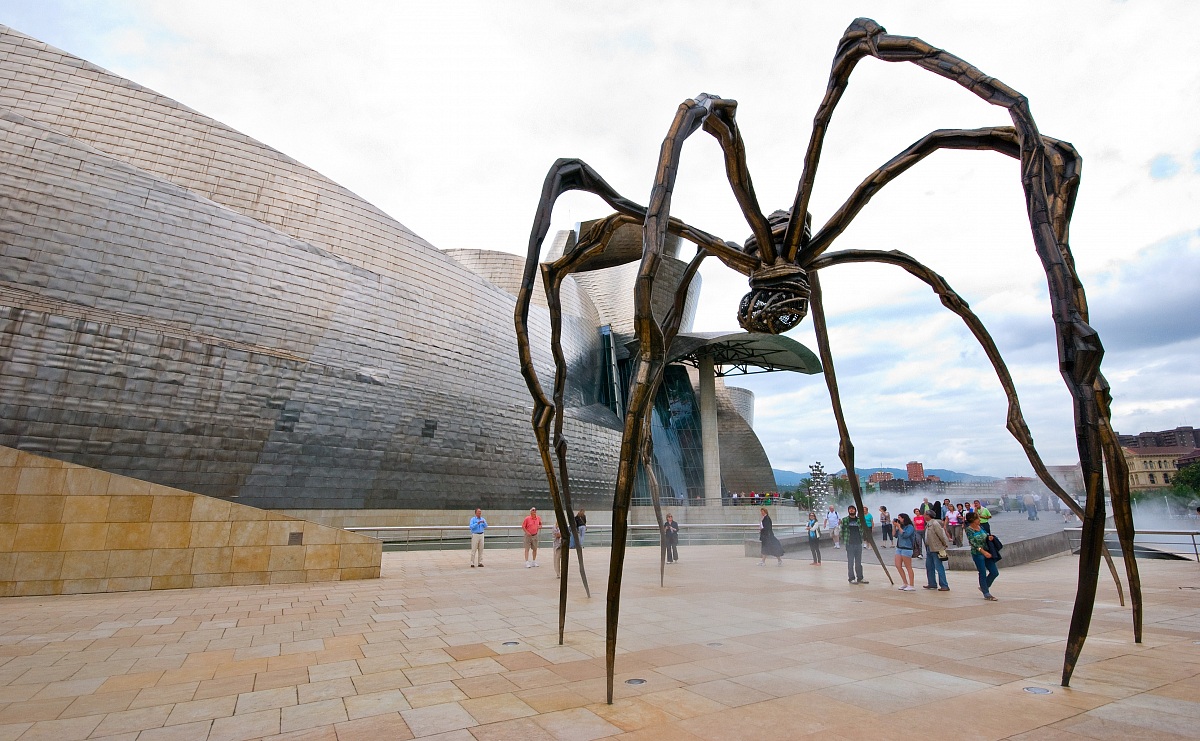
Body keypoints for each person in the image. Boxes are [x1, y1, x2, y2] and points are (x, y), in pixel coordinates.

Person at [966, 510, 999, 600]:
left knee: (994, 572)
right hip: (978, 554)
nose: (979, 520)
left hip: (988, 551)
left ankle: (984, 587)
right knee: (982, 572)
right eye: (977, 518)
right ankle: (986, 593)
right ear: (973, 520)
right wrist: (983, 552)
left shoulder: (980, 527)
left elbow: (986, 535)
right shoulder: (969, 530)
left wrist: (989, 537)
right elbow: (973, 542)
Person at [840, 505, 868, 584]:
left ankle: (860, 577)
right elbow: (841, 530)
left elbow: (862, 529)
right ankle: (851, 578)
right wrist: (844, 540)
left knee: (858, 562)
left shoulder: (859, 520)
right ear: (848, 511)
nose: (851, 510)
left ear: (855, 511)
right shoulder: (845, 520)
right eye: (850, 509)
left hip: (858, 543)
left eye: (853, 509)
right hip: (850, 543)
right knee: (851, 562)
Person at [922, 514, 950, 591]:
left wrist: (945, 544)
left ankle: (944, 585)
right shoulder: (928, 524)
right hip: (929, 548)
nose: (924, 516)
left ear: (929, 516)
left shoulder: (935, 524)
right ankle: (932, 583)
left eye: (925, 515)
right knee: (929, 566)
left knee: (939, 567)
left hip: (936, 548)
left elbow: (941, 535)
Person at [893, 513, 917, 591]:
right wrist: (894, 526)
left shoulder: (910, 527)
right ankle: (905, 582)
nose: (898, 519)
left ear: (904, 518)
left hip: (907, 548)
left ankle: (911, 584)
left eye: (899, 518)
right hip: (899, 548)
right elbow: (894, 535)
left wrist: (899, 527)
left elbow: (905, 535)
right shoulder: (901, 526)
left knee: (908, 567)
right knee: (898, 565)